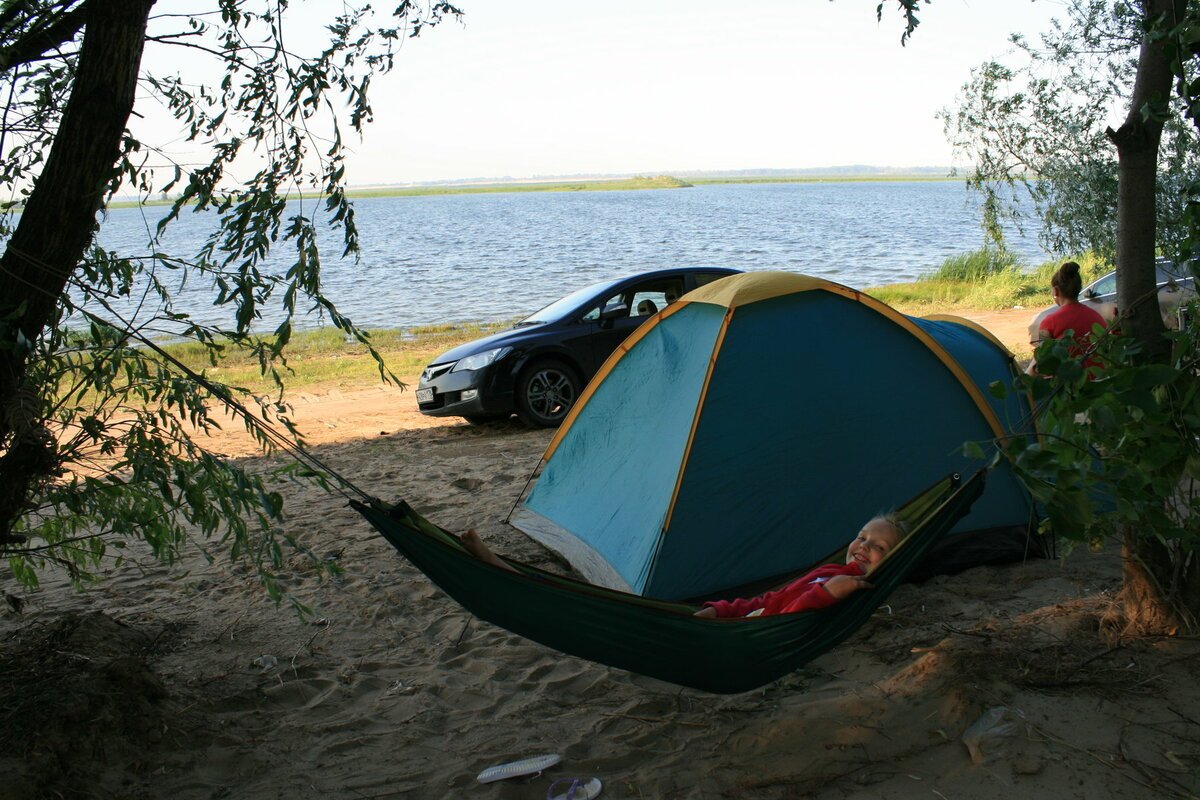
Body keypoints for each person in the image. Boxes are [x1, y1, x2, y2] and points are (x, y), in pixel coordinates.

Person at [692, 516, 903, 619]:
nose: (865, 545)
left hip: (760, 634)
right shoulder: (827, 571)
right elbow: (773, 600)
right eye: (861, 537)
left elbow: (791, 623)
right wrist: (722, 610)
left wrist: (827, 593)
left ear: (892, 560)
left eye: (879, 547)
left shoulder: (856, 591)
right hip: (747, 624)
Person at [1031, 260, 1107, 370]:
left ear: (1056, 291)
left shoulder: (1049, 322)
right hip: (1098, 380)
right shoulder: (1097, 317)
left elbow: (1043, 362)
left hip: (1068, 382)